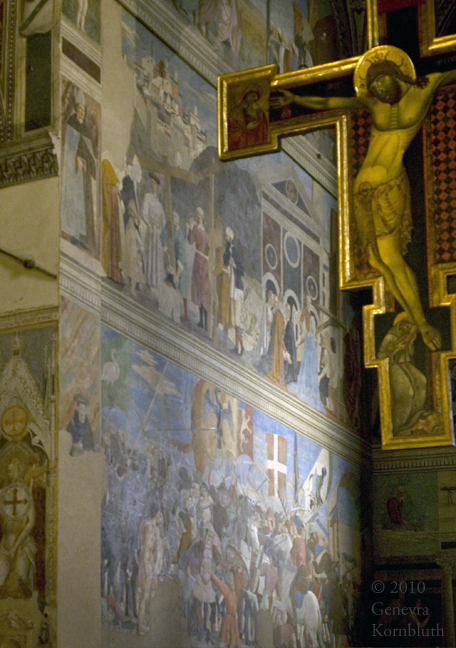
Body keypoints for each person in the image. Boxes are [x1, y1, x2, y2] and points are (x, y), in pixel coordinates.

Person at [277, 45, 456, 351]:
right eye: (373, 85)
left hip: (388, 188)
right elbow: (330, 102)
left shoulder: (423, 91)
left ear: (396, 75)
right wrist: (295, 98)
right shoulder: (373, 104)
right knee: (375, 260)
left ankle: (422, 321)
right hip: (362, 194)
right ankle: (416, 319)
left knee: (392, 258)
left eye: (382, 81)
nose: (378, 89)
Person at [61, 89, 97, 247]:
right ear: (76, 109)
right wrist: (75, 158)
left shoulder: (86, 130)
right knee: (73, 198)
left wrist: (92, 163)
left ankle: (81, 235)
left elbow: (88, 150)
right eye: (79, 109)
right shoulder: (72, 123)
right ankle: (71, 231)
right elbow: (70, 144)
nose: (81, 112)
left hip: (84, 172)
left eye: (83, 109)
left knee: (83, 203)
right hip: (74, 168)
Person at [0, 458, 37, 598]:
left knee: (21, 588)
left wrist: (15, 548)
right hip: (4, 548)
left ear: (19, 471)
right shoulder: (2, 494)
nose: (10, 474)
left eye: (13, 471)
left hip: (22, 547)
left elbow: (31, 522)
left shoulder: (26, 493)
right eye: (8, 471)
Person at [187, 207, 210, 329]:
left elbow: (208, 249)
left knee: (204, 291)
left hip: (204, 263)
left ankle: (206, 322)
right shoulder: (196, 228)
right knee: (200, 290)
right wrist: (190, 228)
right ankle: (202, 320)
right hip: (198, 261)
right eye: (198, 215)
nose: (199, 216)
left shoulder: (205, 232)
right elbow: (191, 241)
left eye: (201, 215)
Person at [142, 172, 166, 291]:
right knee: (150, 255)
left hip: (157, 233)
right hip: (151, 231)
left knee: (156, 257)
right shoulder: (147, 197)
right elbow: (144, 213)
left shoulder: (159, 204)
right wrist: (149, 225)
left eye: (155, 184)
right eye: (151, 183)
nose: (153, 186)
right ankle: (148, 283)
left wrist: (160, 230)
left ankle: (155, 284)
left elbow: (163, 221)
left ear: (157, 187)